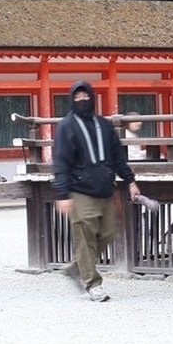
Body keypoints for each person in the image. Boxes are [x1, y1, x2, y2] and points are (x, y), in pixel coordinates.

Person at [53, 81, 141, 302]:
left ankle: (77, 267)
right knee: (85, 237)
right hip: (79, 189)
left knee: (109, 232)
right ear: (71, 100)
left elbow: (118, 157)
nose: (82, 100)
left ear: (92, 97)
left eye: (86, 96)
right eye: (77, 97)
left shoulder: (104, 124)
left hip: (104, 187)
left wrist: (130, 181)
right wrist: (63, 195)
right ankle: (93, 284)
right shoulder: (67, 126)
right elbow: (61, 162)